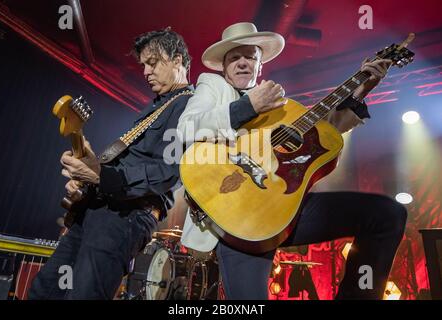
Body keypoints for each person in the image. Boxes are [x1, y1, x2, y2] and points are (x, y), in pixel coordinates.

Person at [177, 22, 407, 300]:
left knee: (386, 215)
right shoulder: (212, 87)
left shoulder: (280, 104)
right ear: (223, 68)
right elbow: (187, 129)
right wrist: (248, 106)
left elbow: (326, 131)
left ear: (260, 66)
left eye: (250, 56)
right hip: (237, 219)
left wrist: (362, 87)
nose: (242, 63)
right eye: (234, 57)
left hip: (283, 206)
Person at [29, 27, 194, 299]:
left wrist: (99, 177)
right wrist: (89, 174)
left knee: (84, 294)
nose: (145, 72)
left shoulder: (188, 106)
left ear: (177, 60)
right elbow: (117, 168)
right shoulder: (154, 109)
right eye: (143, 65)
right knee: (44, 291)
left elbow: (167, 173)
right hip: (96, 210)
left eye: (153, 63)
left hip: (126, 217)